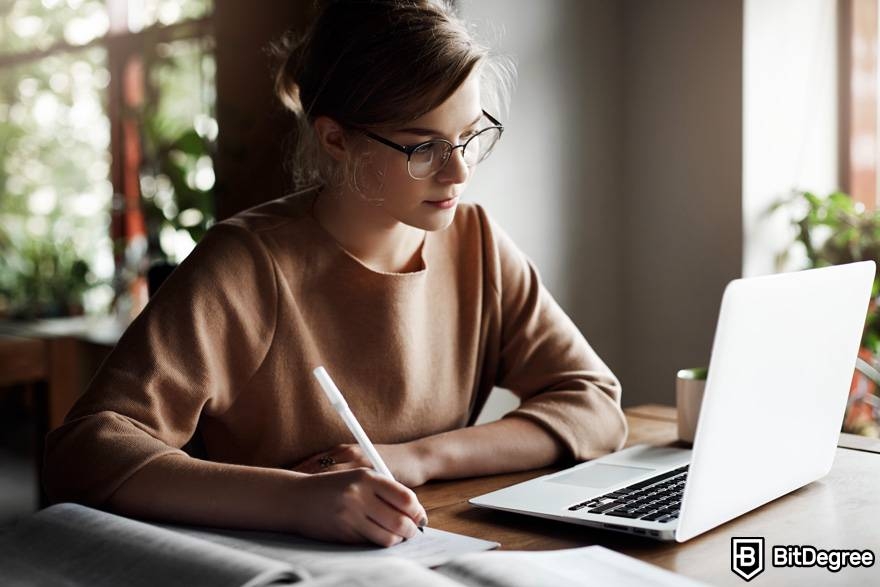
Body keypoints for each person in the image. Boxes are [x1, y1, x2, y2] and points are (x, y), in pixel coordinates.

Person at [43, 0, 627, 548]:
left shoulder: (477, 244)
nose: (457, 173)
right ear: (335, 138)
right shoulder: (247, 264)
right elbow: (85, 451)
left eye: (469, 136)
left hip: (424, 554)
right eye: (422, 147)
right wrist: (295, 501)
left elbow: (595, 404)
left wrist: (417, 458)